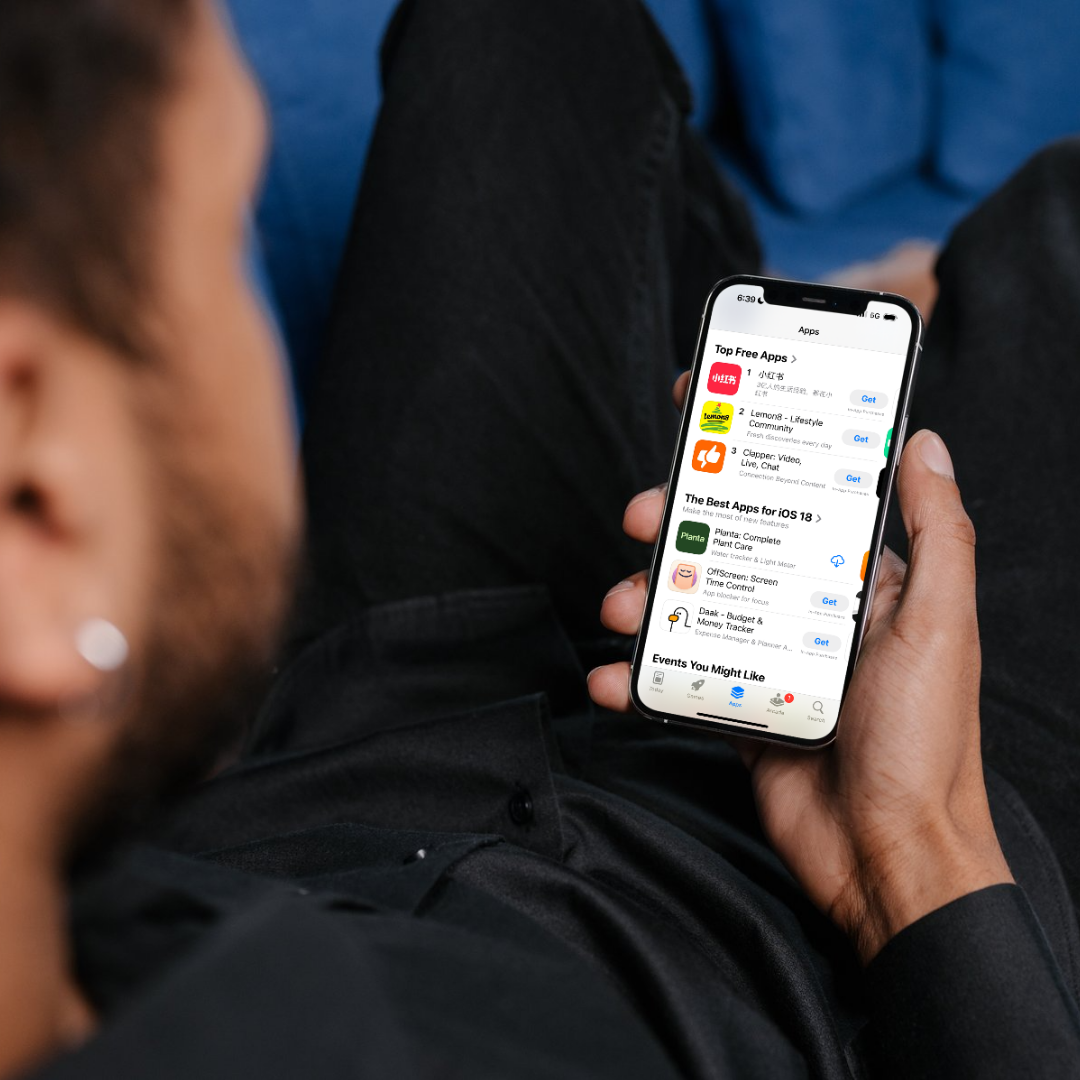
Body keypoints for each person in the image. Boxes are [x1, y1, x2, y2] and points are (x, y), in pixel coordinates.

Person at [0, 0, 1076, 1077]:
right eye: (217, 244)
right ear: (39, 491)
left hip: (386, 712)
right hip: (840, 880)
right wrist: (916, 853)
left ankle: (738, 345)